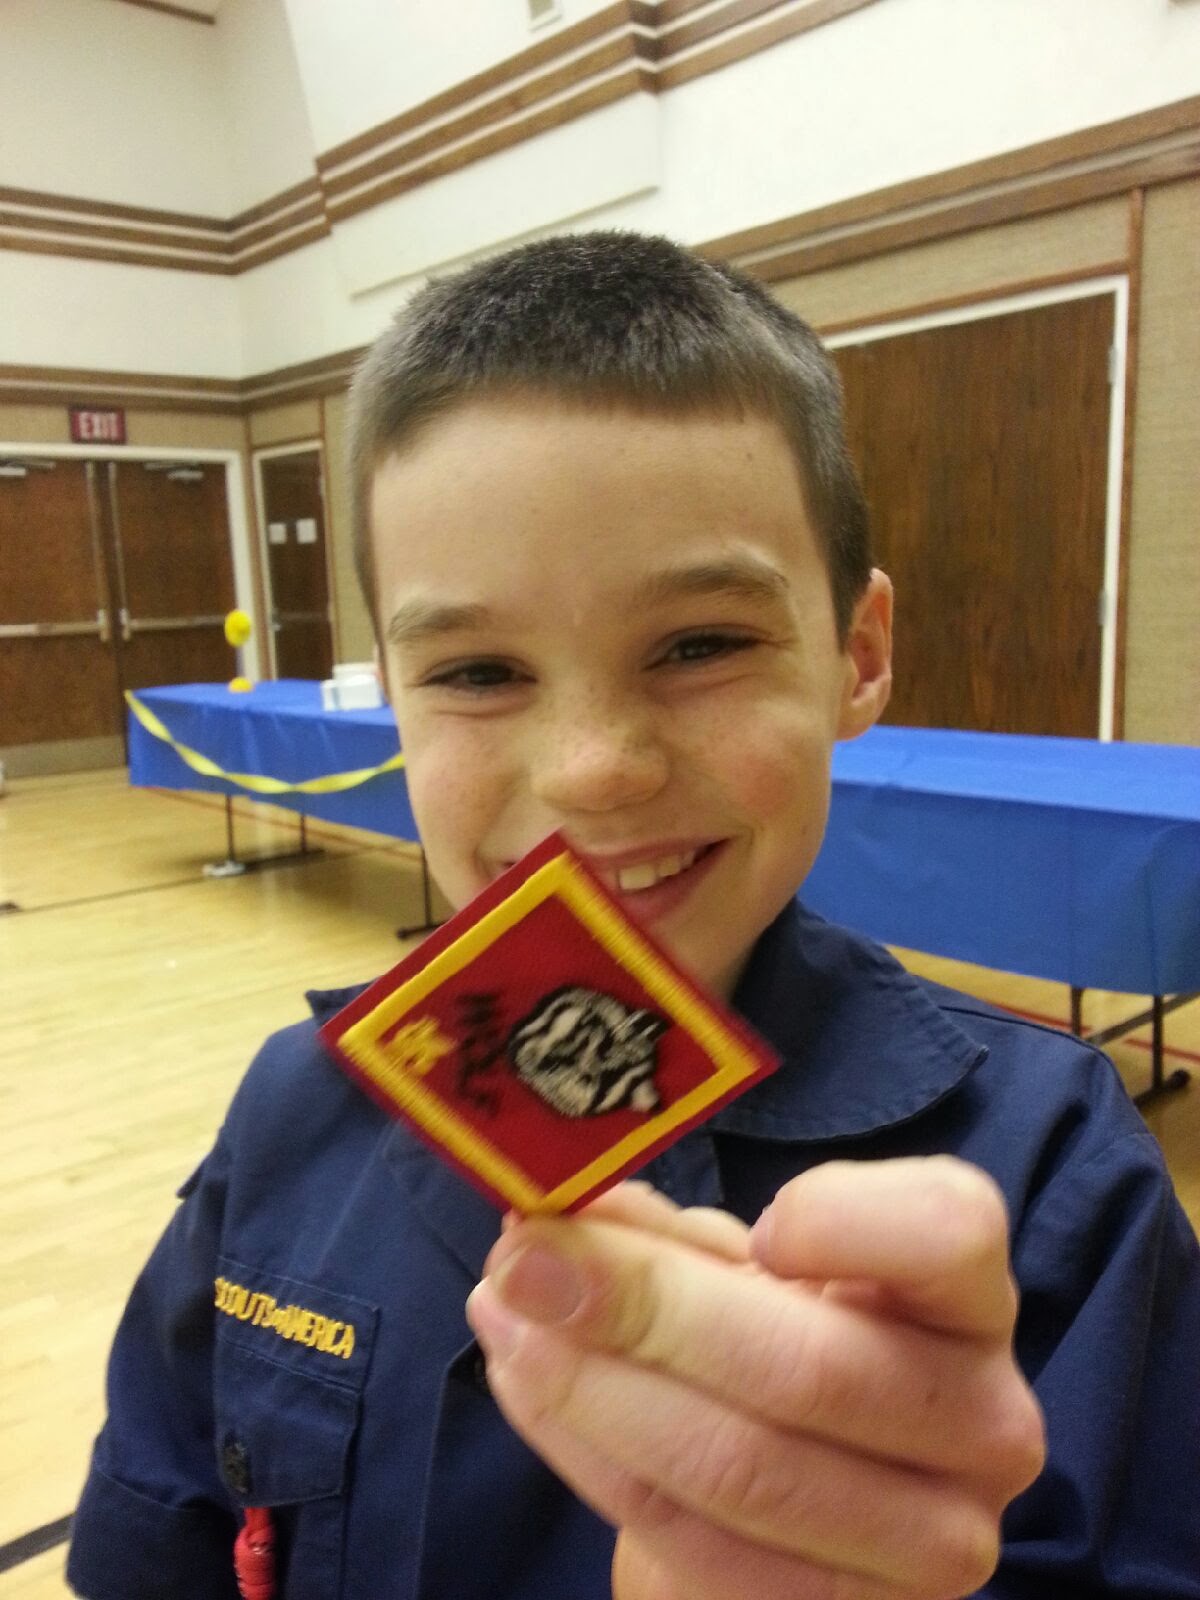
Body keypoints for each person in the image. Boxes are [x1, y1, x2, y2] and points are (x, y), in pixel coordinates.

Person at [68, 233, 1200, 1600]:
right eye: (478, 671)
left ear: (857, 654)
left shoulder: (1055, 1175)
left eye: (701, 645)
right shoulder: (294, 1116)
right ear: (392, 695)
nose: (594, 769)